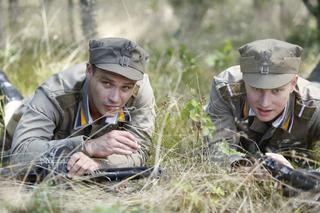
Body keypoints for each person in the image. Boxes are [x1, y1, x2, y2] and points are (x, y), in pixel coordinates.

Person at [1, 37, 155, 178]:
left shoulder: (139, 90)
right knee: (12, 109)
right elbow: (21, 154)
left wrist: (99, 164)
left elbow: (139, 150)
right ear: (89, 71)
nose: (115, 98)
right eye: (107, 84)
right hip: (21, 120)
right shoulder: (55, 93)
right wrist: (88, 147)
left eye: (125, 88)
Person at [205, 39, 320, 170]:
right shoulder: (226, 90)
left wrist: (294, 175)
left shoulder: (314, 105)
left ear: (293, 83)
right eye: (256, 88)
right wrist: (246, 169)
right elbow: (217, 149)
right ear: (244, 80)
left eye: (276, 90)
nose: (264, 103)